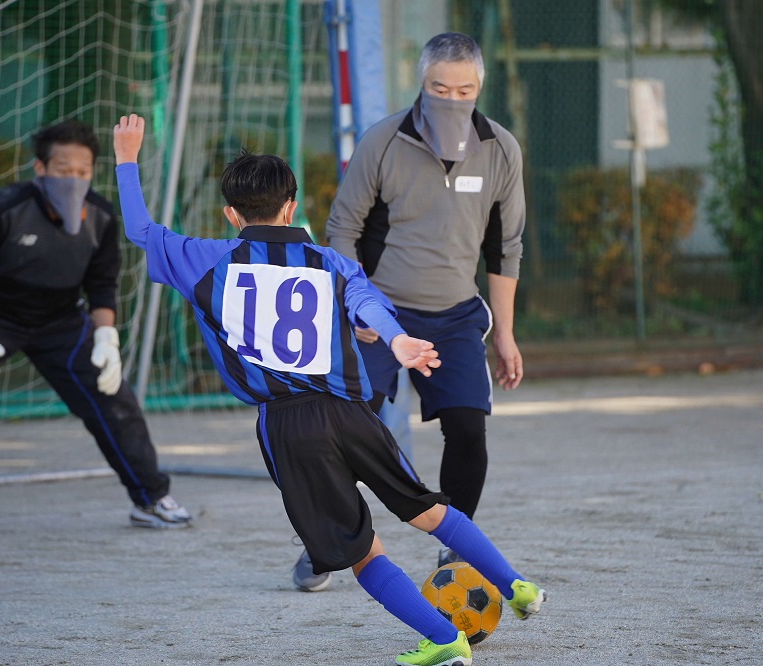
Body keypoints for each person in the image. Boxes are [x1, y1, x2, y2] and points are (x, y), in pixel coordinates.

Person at [112, 113, 545, 666]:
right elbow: (369, 306)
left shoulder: (205, 259)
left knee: (362, 552)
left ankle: (444, 641)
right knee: (427, 509)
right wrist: (397, 341)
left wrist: (127, 158)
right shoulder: (331, 262)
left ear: (230, 213)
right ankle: (517, 588)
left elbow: (140, 230)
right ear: (292, 208)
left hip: (288, 424)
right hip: (351, 411)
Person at [0, 119, 191, 536]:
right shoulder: (4, 208)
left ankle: (150, 498)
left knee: (114, 396)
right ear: (40, 169)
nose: (73, 178)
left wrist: (106, 339)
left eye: (82, 171)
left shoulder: (100, 216)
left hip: (60, 318)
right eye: (63, 170)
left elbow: (101, 286)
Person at [303, 31, 526, 587]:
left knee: (469, 433)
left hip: (455, 317)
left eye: (465, 89)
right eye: (439, 88)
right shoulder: (381, 142)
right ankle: (325, 544)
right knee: (344, 433)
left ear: (480, 87)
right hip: (381, 314)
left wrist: (506, 335)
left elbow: (505, 248)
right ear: (421, 85)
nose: (452, 98)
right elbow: (342, 232)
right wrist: (358, 308)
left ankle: (456, 554)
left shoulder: (501, 149)